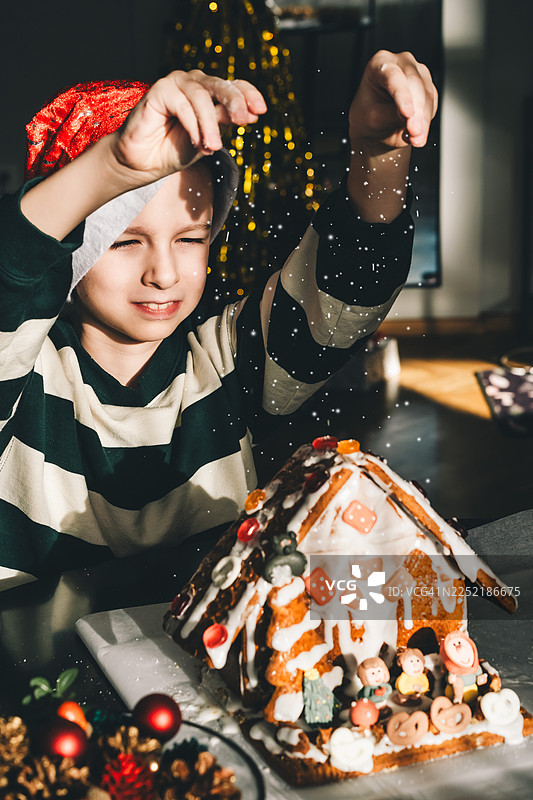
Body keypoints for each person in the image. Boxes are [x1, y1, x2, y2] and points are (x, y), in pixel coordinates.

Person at [0, 51, 438, 590]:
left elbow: (348, 282)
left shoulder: (227, 360)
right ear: (70, 248)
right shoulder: (22, 371)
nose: (163, 274)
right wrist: (109, 169)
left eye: (190, 239)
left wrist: (377, 154)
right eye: (124, 241)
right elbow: (10, 275)